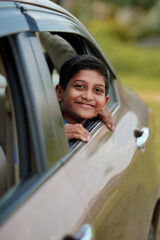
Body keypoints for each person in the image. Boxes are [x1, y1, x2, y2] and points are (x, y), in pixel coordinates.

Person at [56, 54, 114, 142]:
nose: (88, 97)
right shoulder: (42, 127)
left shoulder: (98, 121)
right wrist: (55, 136)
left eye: (97, 90)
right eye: (79, 86)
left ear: (105, 102)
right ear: (59, 93)